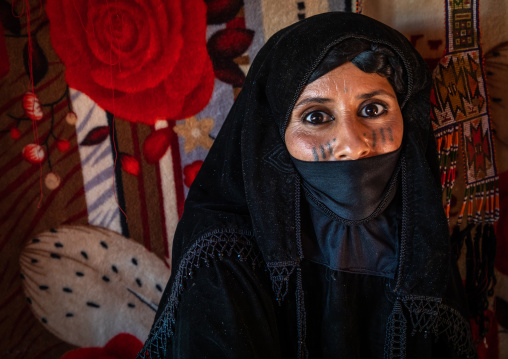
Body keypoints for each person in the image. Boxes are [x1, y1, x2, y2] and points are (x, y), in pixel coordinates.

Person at [138, 12, 476, 359]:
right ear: (272, 136)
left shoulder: (416, 235)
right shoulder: (222, 257)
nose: (352, 144)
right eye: (316, 117)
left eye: (373, 109)